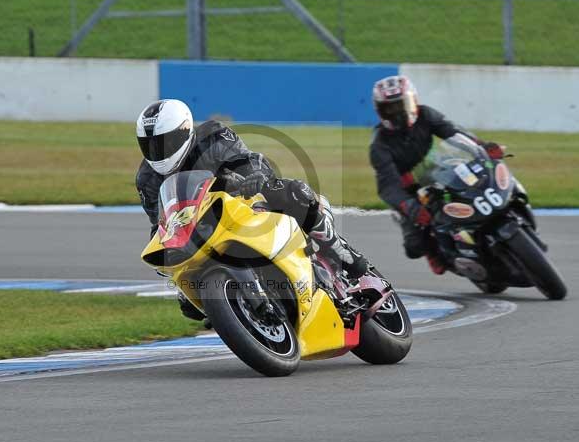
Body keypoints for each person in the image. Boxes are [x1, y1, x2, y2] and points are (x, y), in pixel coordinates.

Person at [135, 99, 369, 321]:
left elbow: (246, 158)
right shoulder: (147, 179)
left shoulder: (212, 136)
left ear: (185, 132)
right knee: (189, 304)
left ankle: (337, 248)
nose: (159, 152)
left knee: (293, 191)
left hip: (242, 201)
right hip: (201, 227)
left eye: (166, 142)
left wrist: (256, 176)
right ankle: (238, 312)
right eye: (150, 146)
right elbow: (160, 222)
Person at [368, 75, 504, 275]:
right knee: (414, 246)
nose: (397, 113)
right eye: (390, 109)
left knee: (474, 180)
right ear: (380, 112)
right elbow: (388, 187)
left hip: (437, 167)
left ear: (413, 101)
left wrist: (483, 147)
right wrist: (410, 207)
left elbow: (454, 132)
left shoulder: (426, 115)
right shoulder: (379, 146)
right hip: (408, 188)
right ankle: (436, 252)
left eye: (402, 105)